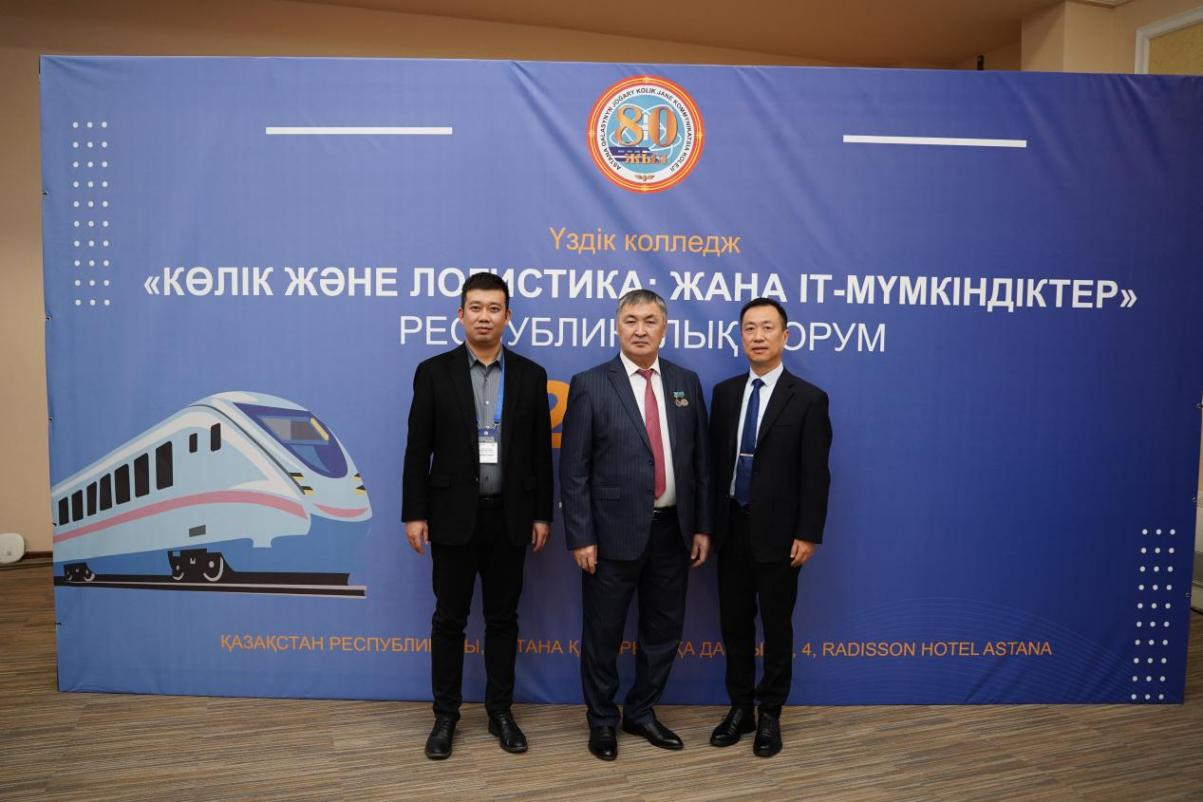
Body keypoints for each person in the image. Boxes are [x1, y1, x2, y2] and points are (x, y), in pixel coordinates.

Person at [402, 272, 553, 760]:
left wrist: (542, 514)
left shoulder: (530, 375)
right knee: (449, 620)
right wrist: (414, 513)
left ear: (507, 316)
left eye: (494, 308)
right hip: (451, 517)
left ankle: (500, 712)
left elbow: (540, 453)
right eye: (475, 308)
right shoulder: (433, 372)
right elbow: (417, 450)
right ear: (460, 314)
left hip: (510, 517)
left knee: (502, 619)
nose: (484, 317)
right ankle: (445, 716)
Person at [559, 288, 712, 761]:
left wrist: (702, 526)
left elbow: (701, 464)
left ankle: (642, 712)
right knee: (602, 634)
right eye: (631, 320)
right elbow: (574, 469)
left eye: (650, 321)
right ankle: (602, 720)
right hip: (610, 535)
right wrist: (581, 535)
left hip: (673, 532)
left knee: (662, 632)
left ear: (664, 328)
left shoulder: (686, 382)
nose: (640, 330)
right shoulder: (590, 383)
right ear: (617, 326)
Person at [707, 297, 832, 758]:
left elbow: (816, 474)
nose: (757, 336)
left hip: (781, 538)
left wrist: (808, 532)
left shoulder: (809, 398)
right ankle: (740, 709)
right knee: (734, 626)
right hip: (730, 530)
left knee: (776, 628)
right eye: (749, 328)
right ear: (740, 336)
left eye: (767, 328)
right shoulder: (724, 394)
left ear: (785, 336)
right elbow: (713, 467)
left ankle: (771, 715)